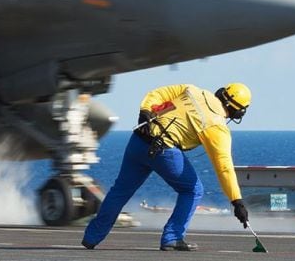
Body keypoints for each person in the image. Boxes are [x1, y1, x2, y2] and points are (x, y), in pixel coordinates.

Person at [82, 83, 252, 251]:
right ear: (238, 112)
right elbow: (224, 167)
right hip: (164, 150)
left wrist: (145, 111)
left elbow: (158, 93)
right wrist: (236, 201)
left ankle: (91, 237)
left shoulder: (192, 90)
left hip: (139, 139)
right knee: (193, 190)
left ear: (221, 92)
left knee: (120, 190)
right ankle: (172, 237)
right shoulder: (217, 127)